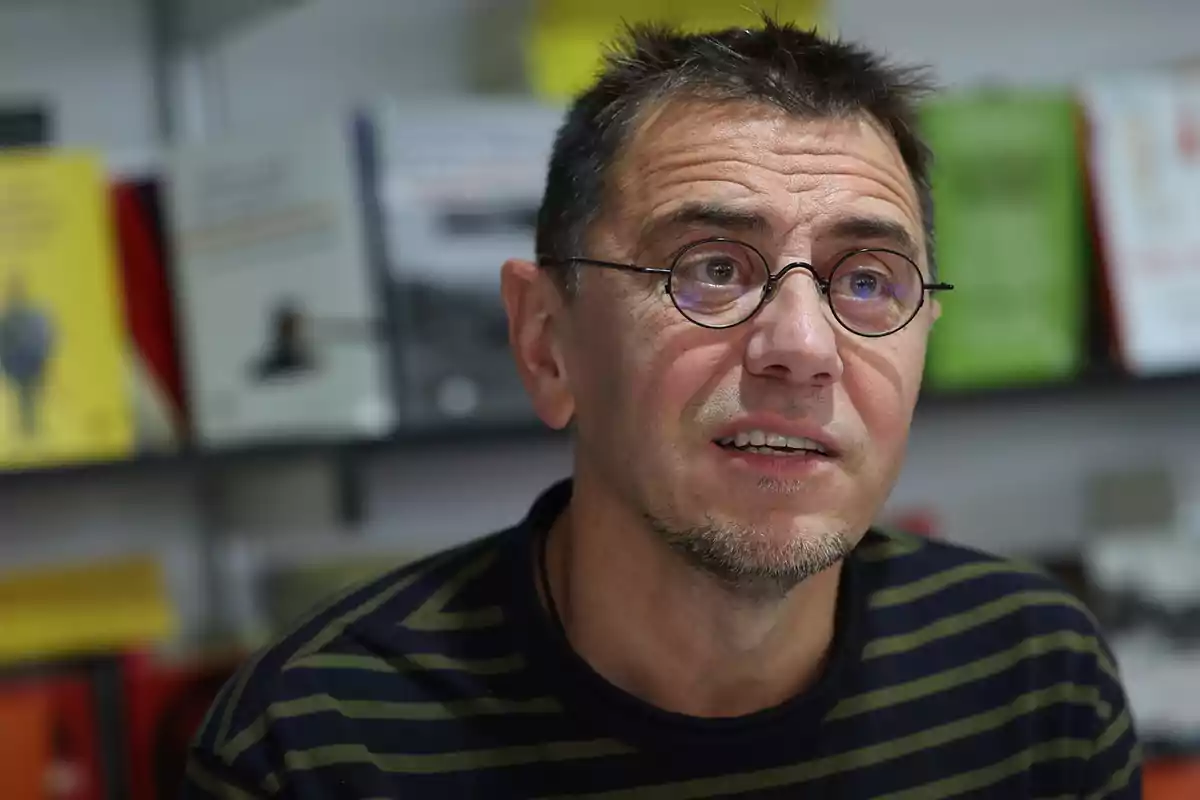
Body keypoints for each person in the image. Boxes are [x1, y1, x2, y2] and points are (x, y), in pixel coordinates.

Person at [181, 16, 1142, 799]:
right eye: (713, 269)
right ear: (546, 342)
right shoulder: (317, 745)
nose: (804, 349)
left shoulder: (1030, 679)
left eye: (867, 282)